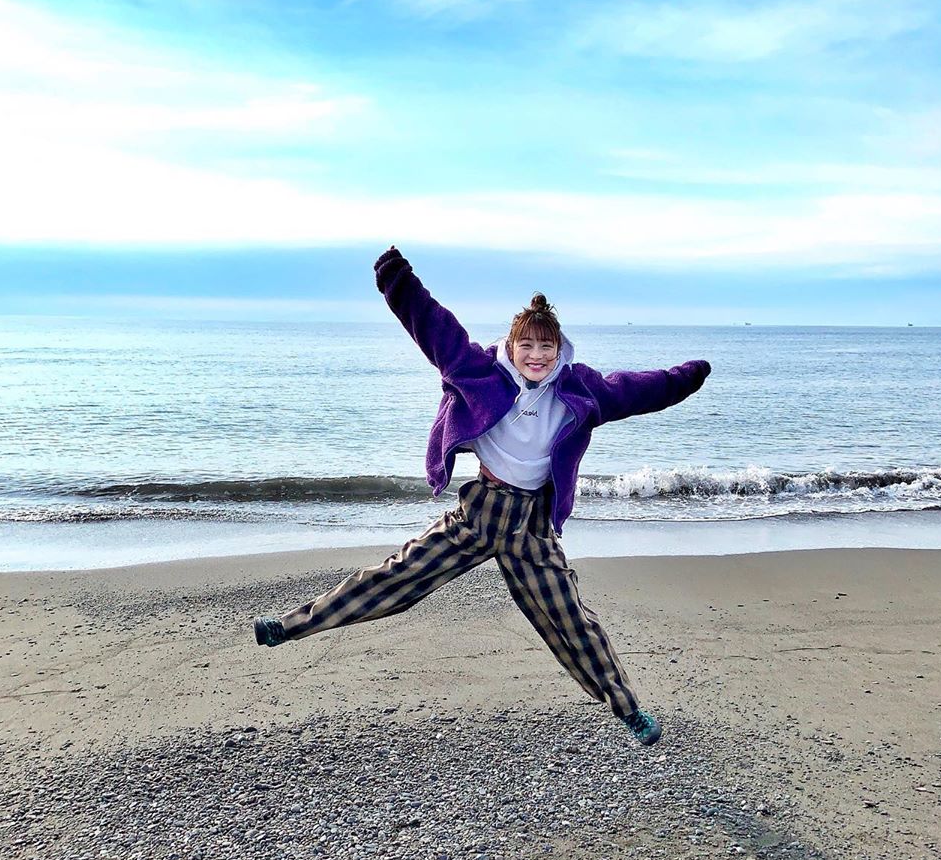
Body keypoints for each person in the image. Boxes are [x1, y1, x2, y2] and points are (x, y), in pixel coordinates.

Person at [253, 246, 711, 747]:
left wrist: (688, 376)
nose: (537, 356)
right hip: (478, 515)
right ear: (511, 347)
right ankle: (291, 626)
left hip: (531, 531)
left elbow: (638, 390)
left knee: (572, 621)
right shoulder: (480, 372)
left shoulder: (580, 391)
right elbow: (433, 327)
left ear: (559, 350)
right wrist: (396, 278)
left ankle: (628, 710)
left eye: (546, 347)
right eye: (527, 346)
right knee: (393, 580)